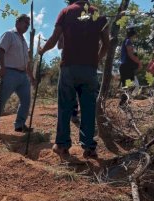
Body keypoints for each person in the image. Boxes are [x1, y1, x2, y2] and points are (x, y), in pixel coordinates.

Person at [39, 0, 109, 160]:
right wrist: (95, 59)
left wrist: (42, 50)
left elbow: (55, 38)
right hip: (89, 69)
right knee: (88, 108)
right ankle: (89, 148)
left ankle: (62, 146)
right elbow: (106, 44)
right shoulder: (98, 14)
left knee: (65, 106)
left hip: (69, 67)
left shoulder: (66, 12)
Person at [0, 14, 35, 133]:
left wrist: (31, 77)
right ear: (17, 22)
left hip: (23, 76)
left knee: (26, 100)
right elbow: (0, 49)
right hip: (10, 73)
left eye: (28, 25)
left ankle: (20, 125)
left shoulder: (24, 41)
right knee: (1, 100)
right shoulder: (9, 35)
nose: (27, 26)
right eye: (25, 23)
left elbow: (27, 62)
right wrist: (2, 67)